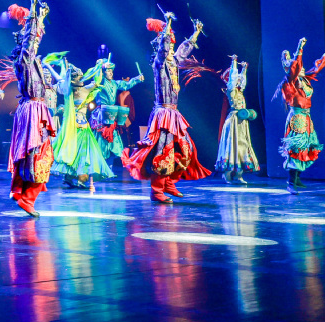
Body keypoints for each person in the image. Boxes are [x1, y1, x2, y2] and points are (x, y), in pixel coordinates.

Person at [121, 13, 211, 203]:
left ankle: (169, 183)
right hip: (163, 114)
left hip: (174, 113)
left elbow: (184, 49)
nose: (171, 48)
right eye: (169, 44)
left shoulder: (173, 62)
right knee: (163, 151)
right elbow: (163, 48)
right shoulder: (159, 63)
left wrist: (196, 33)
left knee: (185, 148)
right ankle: (157, 191)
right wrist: (167, 25)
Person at [0, 0, 54, 217]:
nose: (36, 42)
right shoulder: (25, 59)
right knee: (38, 154)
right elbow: (31, 39)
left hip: (34, 109)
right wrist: (33, 8)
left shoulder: (30, 61)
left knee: (34, 153)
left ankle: (22, 193)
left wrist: (41, 16)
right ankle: (27, 198)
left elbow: (34, 38)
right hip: (32, 110)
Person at [275, 38, 325, 193]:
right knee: (296, 148)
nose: (301, 68)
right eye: (298, 67)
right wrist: (300, 48)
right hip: (297, 118)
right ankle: (291, 183)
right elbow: (295, 67)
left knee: (307, 147)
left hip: (306, 118)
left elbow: (317, 68)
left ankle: (297, 178)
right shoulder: (290, 82)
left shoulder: (304, 80)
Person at [48, 55, 114, 189]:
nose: (80, 79)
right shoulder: (73, 90)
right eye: (78, 78)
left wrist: (100, 67)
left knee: (77, 152)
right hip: (76, 128)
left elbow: (96, 81)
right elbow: (95, 81)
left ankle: (73, 177)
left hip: (78, 127)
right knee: (79, 153)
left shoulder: (75, 90)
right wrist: (99, 67)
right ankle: (77, 178)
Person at [89, 56, 144, 169]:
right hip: (102, 114)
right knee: (101, 138)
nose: (111, 73)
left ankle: (110, 165)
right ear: (103, 72)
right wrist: (100, 66)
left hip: (112, 113)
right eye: (108, 71)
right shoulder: (100, 82)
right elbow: (96, 76)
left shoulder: (114, 83)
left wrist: (138, 79)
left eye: (112, 71)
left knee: (114, 138)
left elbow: (126, 84)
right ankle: (100, 165)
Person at [213, 55, 259, 185]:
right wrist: (233, 62)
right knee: (231, 146)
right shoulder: (231, 91)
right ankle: (227, 175)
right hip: (233, 120)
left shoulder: (240, 91)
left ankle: (239, 175)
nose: (239, 79)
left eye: (239, 78)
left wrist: (244, 69)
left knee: (242, 146)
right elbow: (233, 78)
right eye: (237, 78)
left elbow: (243, 81)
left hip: (241, 121)